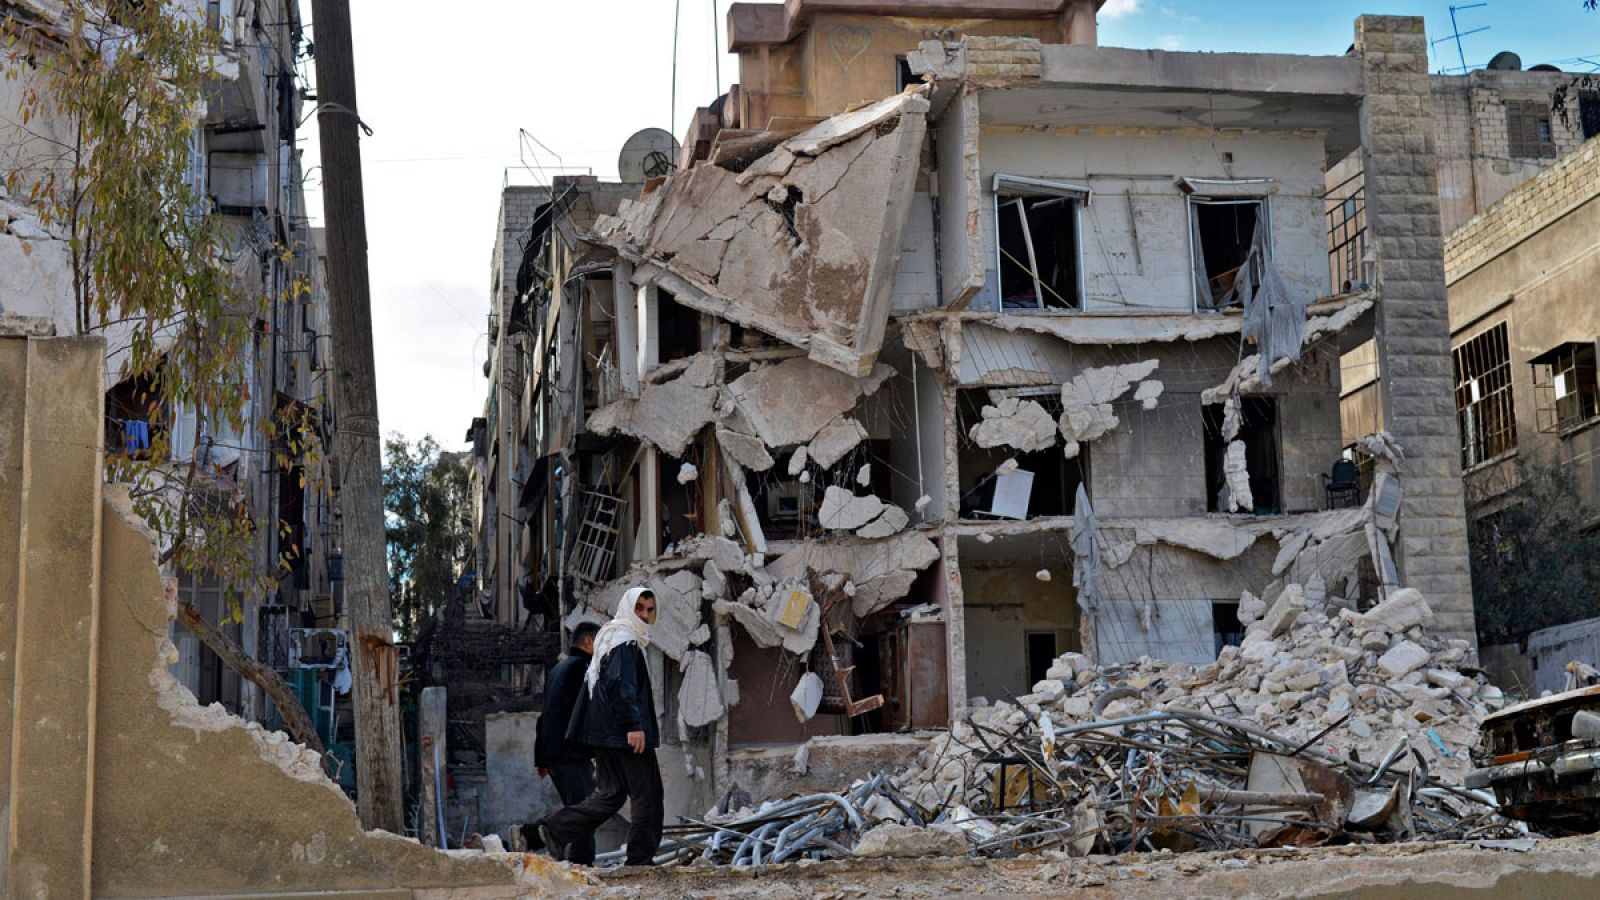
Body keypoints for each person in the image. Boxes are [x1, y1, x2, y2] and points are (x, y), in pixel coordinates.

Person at [537, 587, 663, 866]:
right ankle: (640, 860)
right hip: (624, 734)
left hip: (605, 736)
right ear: (628, 608)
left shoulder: (610, 638)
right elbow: (621, 684)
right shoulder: (626, 641)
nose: (644, 614)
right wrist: (634, 725)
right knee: (648, 794)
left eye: (649, 609)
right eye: (639, 608)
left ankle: (555, 830)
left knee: (610, 795)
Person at [520, 621, 600, 859]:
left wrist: (541, 758)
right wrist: (597, 747)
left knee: (579, 810)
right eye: (601, 641)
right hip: (571, 754)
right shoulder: (583, 668)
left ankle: (572, 860)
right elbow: (587, 713)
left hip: (556, 754)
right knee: (585, 812)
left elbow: (545, 717)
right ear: (588, 642)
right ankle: (533, 835)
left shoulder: (559, 669)